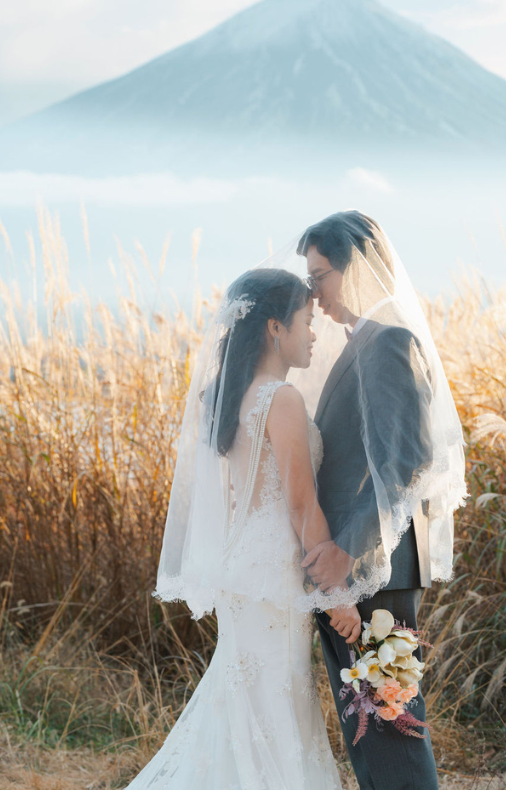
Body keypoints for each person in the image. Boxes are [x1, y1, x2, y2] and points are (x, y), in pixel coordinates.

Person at [139, 269, 349, 789]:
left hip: (245, 565)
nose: (314, 333)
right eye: (306, 321)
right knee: (275, 697)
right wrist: (336, 590)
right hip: (275, 569)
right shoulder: (281, 399)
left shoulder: (232, 397)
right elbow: (301, 504)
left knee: (252, 699)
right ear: (276, 328)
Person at [297, 211, 463, 790]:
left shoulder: (389, 344)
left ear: (358, 269)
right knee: (370, 727)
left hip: (375, 569)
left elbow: (405, 464)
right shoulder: (360, 343)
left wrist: (345, 549)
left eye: (320, 277)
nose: (313, 294)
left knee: (388, 725)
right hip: (361, 570)